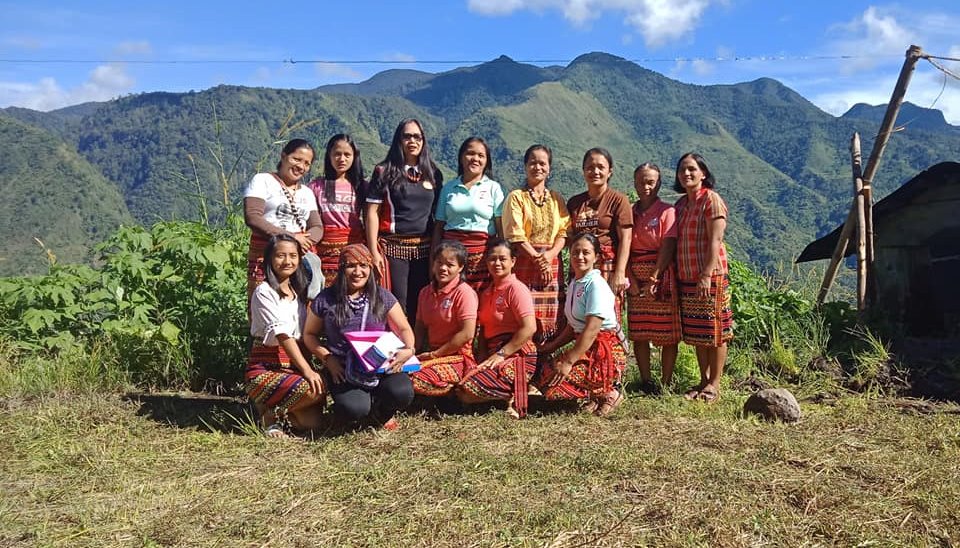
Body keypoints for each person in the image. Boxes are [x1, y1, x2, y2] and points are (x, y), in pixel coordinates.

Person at [303, 243, 416, 429]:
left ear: (370, 269)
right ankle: (362, 405)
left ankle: (382, 410)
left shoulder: (382, 296)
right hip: (344, 367)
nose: (358, 271)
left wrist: (408, 349)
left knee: (402, 393)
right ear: (341, 269)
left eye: (363, 266)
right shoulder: (326, 299)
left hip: (382, 364)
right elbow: (309, 334)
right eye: (351, 266)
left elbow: (404, 328)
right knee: (353, 409)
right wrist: (327, 359)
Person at [244, 234, 325, 438]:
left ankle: (273, 410)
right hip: (266, 368)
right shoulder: (264, 292)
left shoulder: (298, 294)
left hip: (293, 367)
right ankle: (270, 416)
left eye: (293, 256)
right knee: (313, 388)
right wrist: (307, 370)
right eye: (280, 255)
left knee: (313, 423)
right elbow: (282, 335)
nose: (287, 261)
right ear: (270, 258)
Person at [537, 232, 627, 416]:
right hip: (585, 346)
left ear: (596, 257)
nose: (580, 257)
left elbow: (592, 329)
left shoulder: (596, 285)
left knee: (555, 382)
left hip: (605, 350)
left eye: (586, 252)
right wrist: (551, 347)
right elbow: (573, 327)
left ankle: (609, 392)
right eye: (575, 252)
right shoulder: (576, 283)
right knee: (545, 377)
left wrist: (569, 361)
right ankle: (595, 394)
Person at [365, 119, 443, 320]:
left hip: (424, 251)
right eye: (407, 136)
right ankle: (397, 349)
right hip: (393, 249)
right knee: (397, 303)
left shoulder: (433, 173)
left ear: (423, 141)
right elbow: (372, 212)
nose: (412, 141)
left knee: (421, 303)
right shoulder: (383, 171)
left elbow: (437, 216)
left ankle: (416, 350)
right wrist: (373, 250)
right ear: (398, 140)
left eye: (417, 136)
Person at [673, 152, 733, 403]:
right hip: (687, 276)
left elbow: (715, 239)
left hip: (711, 275)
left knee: (716, 330)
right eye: (682, 170)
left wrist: (706, 274)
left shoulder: (712, 200)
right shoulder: (681, 205)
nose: (687, 174)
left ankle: (714, 383)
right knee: (700, 331)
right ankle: (702, 379)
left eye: (692, 169)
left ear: (703, 173)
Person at [458, 239, 537, 418]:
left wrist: (501, 354)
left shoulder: (516, 289)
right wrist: (481, 359)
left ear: (513, 262)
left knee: (468, 390)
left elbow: (529, 328)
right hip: (494, 353)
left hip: (517, 353)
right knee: (462, 387)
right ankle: (510, 392)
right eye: (492, 259)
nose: (497, 263)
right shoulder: (485, 293)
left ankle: (516, 391)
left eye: (503, 259)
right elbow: (485, 332)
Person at [502, 144, 570, 343]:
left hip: (552, 263)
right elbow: (515, 234)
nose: (537, 167)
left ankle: (545, 358)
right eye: (533, 163)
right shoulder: (517, 197)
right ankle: (524, 358)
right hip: (524, 261)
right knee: (523, 311)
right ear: (525, 166)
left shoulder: (557, 199)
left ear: (549, 169)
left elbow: (564, 231)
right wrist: (538, 259)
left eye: (542, 163)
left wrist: (548, 257)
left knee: (552, 314)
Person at [243, 139, 323, 300]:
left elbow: (317, 227)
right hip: (266, 255)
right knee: (264, 302)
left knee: (298, 307)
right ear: (283, 155)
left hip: (297, 259)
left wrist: (304, 241)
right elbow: (252, 216)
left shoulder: (306, 193)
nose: (301, 166)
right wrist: (292, 239)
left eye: (307, 163)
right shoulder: (263, 181)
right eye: (296, 159)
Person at [626, 163, 681, 395]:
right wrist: (630, 276)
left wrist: (654, 278)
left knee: (666, 332)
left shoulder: (668, 211)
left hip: (661, 273)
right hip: (635, 272)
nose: (646, 186)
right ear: (634, 183)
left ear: (659, 183)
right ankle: (646, 380)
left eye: (651, 182)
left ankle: (666, 382)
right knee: (640, 330)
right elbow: (623, 246)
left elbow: (668, 246)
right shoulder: (629, 211)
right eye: (641, 181)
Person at [433, 137, 505, 291]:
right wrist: (433, 262)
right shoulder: (449, 188)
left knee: (481, 303)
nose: (475, 159)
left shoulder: (494, 188)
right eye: (470, 153)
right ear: (461, 157)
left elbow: (501, 231)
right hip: (450, 259)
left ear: (487, 161)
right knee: (450, 301)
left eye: (481, 155)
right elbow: (439, 227)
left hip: (482, 259)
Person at [409, 240, 479, 397]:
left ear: (460, 268)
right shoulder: (425, 292)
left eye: (450, 265)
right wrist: (411, 353)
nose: (443, 268)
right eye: (439, 262)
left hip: (459, 358)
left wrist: (436, 355)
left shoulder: (464, 293)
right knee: (398, 372)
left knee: (415, 378)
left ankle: (454, 393)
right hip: (431, 354)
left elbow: (467, 333)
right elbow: (419, 327)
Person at [566, 147, 633, 306]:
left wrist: (620, 272)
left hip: (607, 266)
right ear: (583, 171)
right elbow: (569, 236)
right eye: (590, 167)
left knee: (605, 312)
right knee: (579, 311)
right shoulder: (575, 203)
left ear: (610, 171)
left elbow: (626, 238)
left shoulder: (618, 200)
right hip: (580, 263)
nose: (595, 171)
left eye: (601, 167)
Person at [309, 134, 366, 288]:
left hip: (354, 249)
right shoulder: (317, 186)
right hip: (324, 252)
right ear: (329, 156)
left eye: (347, 155)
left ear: (354, 157)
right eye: (337, 154)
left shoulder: (362, 187)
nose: (342, 159)